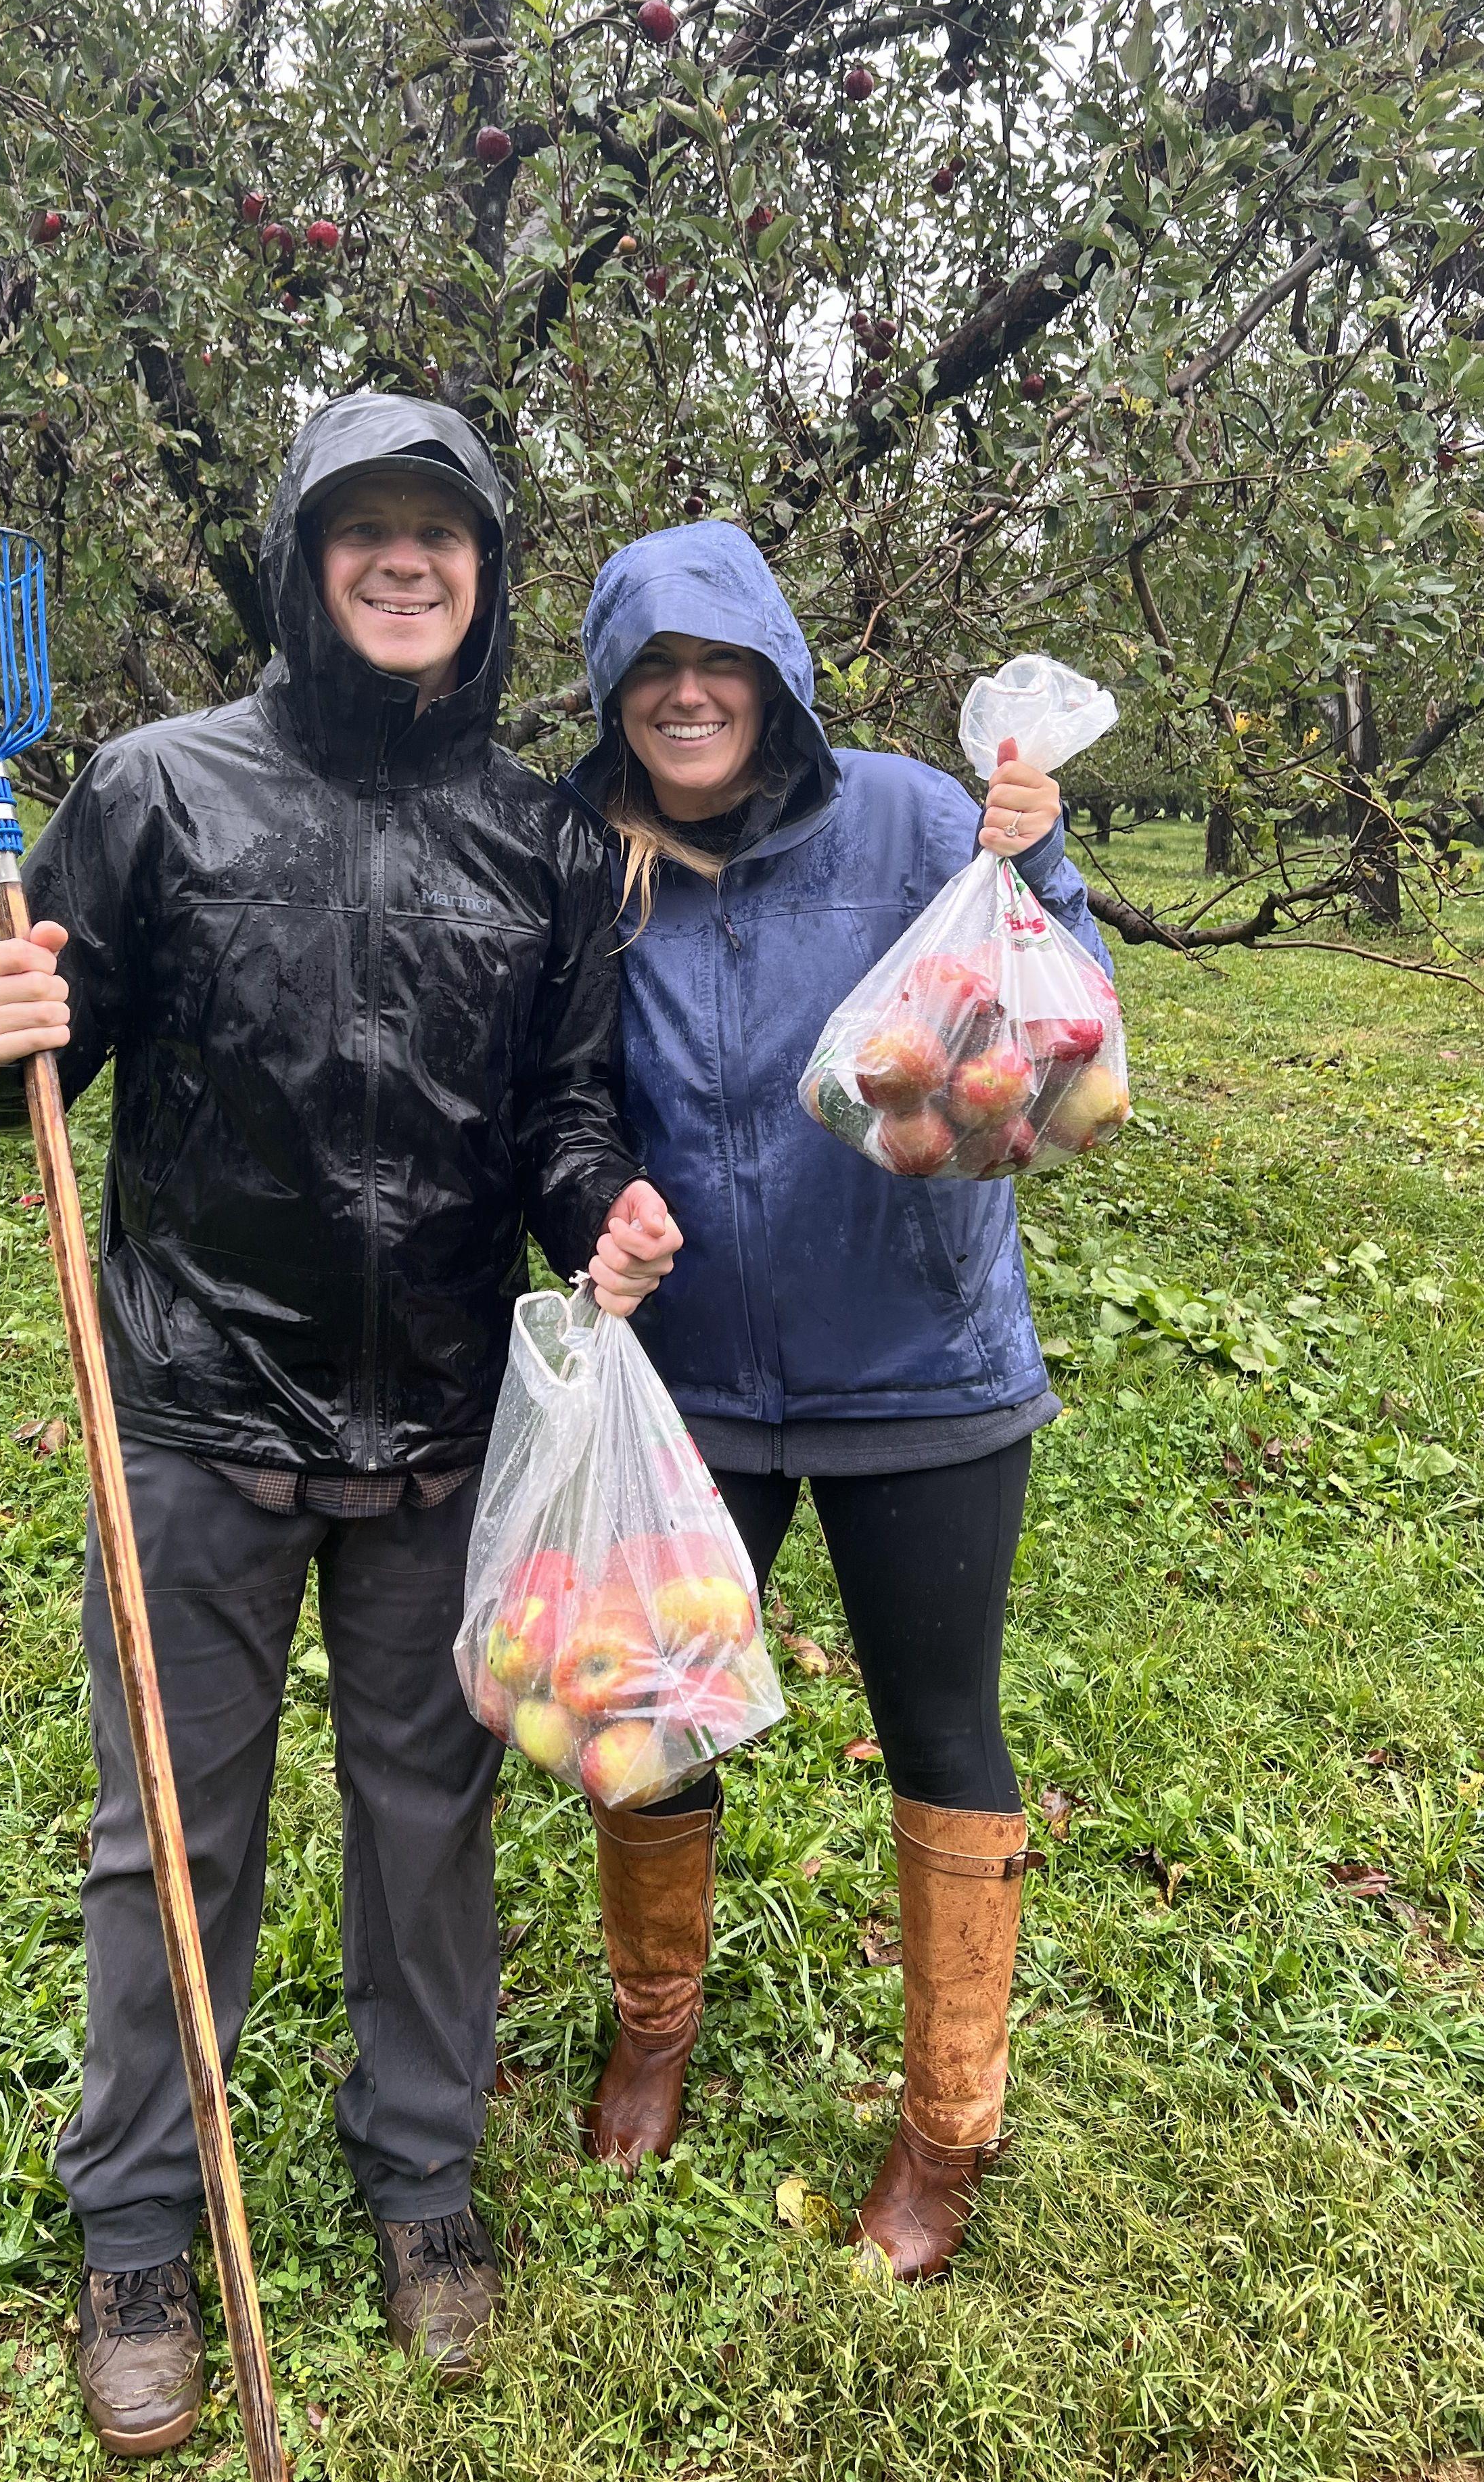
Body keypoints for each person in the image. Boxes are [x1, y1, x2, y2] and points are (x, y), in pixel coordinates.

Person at [0, 392, 682, 2454]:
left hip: (438, 1424)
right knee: (167, 1836)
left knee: (431, 1830)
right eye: (360, 527)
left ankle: (423, 2183)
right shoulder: (159, 791)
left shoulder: (547, 835)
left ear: (485, 573)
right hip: (188, 1405)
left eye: (436, 534)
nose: (400, 561)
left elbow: (559, 1107)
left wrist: (593, 1210)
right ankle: (138, 2226)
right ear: (299, 555)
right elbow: (30, 1043)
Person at [560, 520, 1112, 2284]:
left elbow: (1054, 1022)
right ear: (614, 701)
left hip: (923, 1367)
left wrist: (1041, 869)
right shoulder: (597, 855)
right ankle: (656, 2022)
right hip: (695, 1377)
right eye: (650, 671)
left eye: (717, 662)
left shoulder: (904, 815)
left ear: (780, 678)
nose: (688, 692)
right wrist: (593, 1215)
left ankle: (949, 2129)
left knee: (944, 1732)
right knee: (654, 1707)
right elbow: (558, 1085)